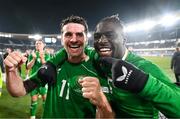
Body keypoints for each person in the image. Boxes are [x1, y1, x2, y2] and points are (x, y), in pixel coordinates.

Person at [4, 15, 113, 118]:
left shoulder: (98, 66)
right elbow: (18, 91)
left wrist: (102, 102)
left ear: (86, 39)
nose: (73, 39)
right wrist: (11, 70)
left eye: (79, 34)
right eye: (68, 34)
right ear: (61, 39)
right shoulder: (54, 64)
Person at [93, 14, 180, 118]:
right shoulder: (98, 59)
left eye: (110, 35)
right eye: (97, 37)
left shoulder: (144, 67)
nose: (101, 41)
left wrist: (142, 82)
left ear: (124, 40)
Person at [26, 40, 50, 119]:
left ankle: (46, 116)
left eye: (40, 43)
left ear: (44, 45)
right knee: (33, 100)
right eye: (36, 43)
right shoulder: (32, 54)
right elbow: (28, 67)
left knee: (45, 100)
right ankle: (32, 116)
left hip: (43, 81)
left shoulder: (47, 54)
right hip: (33, 81)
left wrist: (42, 57)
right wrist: (33, 59)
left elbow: (47, 66)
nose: (38, 45)